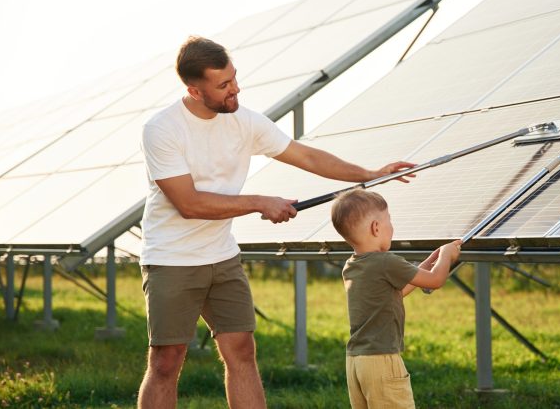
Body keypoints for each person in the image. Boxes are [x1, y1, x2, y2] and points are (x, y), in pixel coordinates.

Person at [137, 36, 415, 409]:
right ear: (194, 90)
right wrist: (259, 203)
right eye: (223, 85)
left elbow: (307, 157)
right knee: (166, 361)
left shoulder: (245, 121)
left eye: (234, 78)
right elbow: (189, 204)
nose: (235, 89)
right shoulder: (162, 129)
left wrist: (367, 173)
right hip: (171, 258)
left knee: (242, 351)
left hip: (221, 256)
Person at [331, 188, 461, 408]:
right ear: (376, 227)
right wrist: (447, 255)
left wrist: (429, 262)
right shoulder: (386, 261)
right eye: (389, 220)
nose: (392, 226)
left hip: (356, 361)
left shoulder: (352, 265)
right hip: (382, 360)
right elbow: (436, 280)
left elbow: (395, 293)